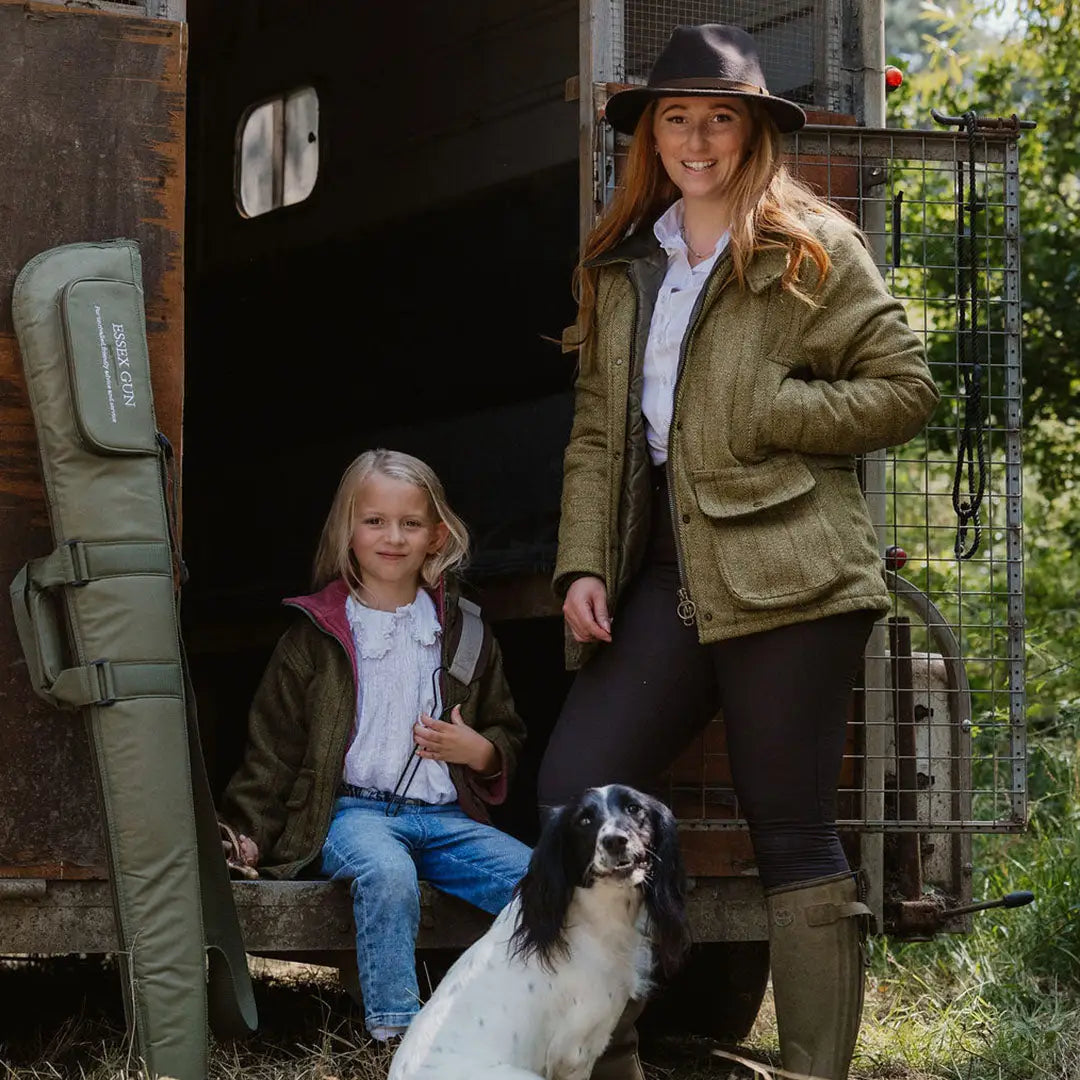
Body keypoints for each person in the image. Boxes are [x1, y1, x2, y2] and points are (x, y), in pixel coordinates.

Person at [538, 23, 939, 1080]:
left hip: (794, 573)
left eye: (721, 117)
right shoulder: (625, 264)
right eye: (679, 118)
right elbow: (596, 435)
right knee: (577, 793)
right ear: (652, 134)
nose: (700, 138)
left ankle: (813, 1072)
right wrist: (584, 564)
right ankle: (606, 1053)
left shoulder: (811, 248)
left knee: (791, 831)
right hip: (666, 572)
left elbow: (907, 389)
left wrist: (771, 408)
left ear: (755, 130)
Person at [220, 448, 531, 1042]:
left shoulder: (463, 632)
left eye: (410, 524)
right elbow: (274, 749)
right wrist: (250, 831)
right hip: (352, 814)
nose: (393, 537)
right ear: (348, 531)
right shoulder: (315, 636)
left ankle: (514, 1026)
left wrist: (478, 751)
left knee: (540, 883)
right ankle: (397, 1034)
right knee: (388, 876)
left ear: (437, 536)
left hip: (444, 820)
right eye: (375, 522)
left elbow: (505, 731)